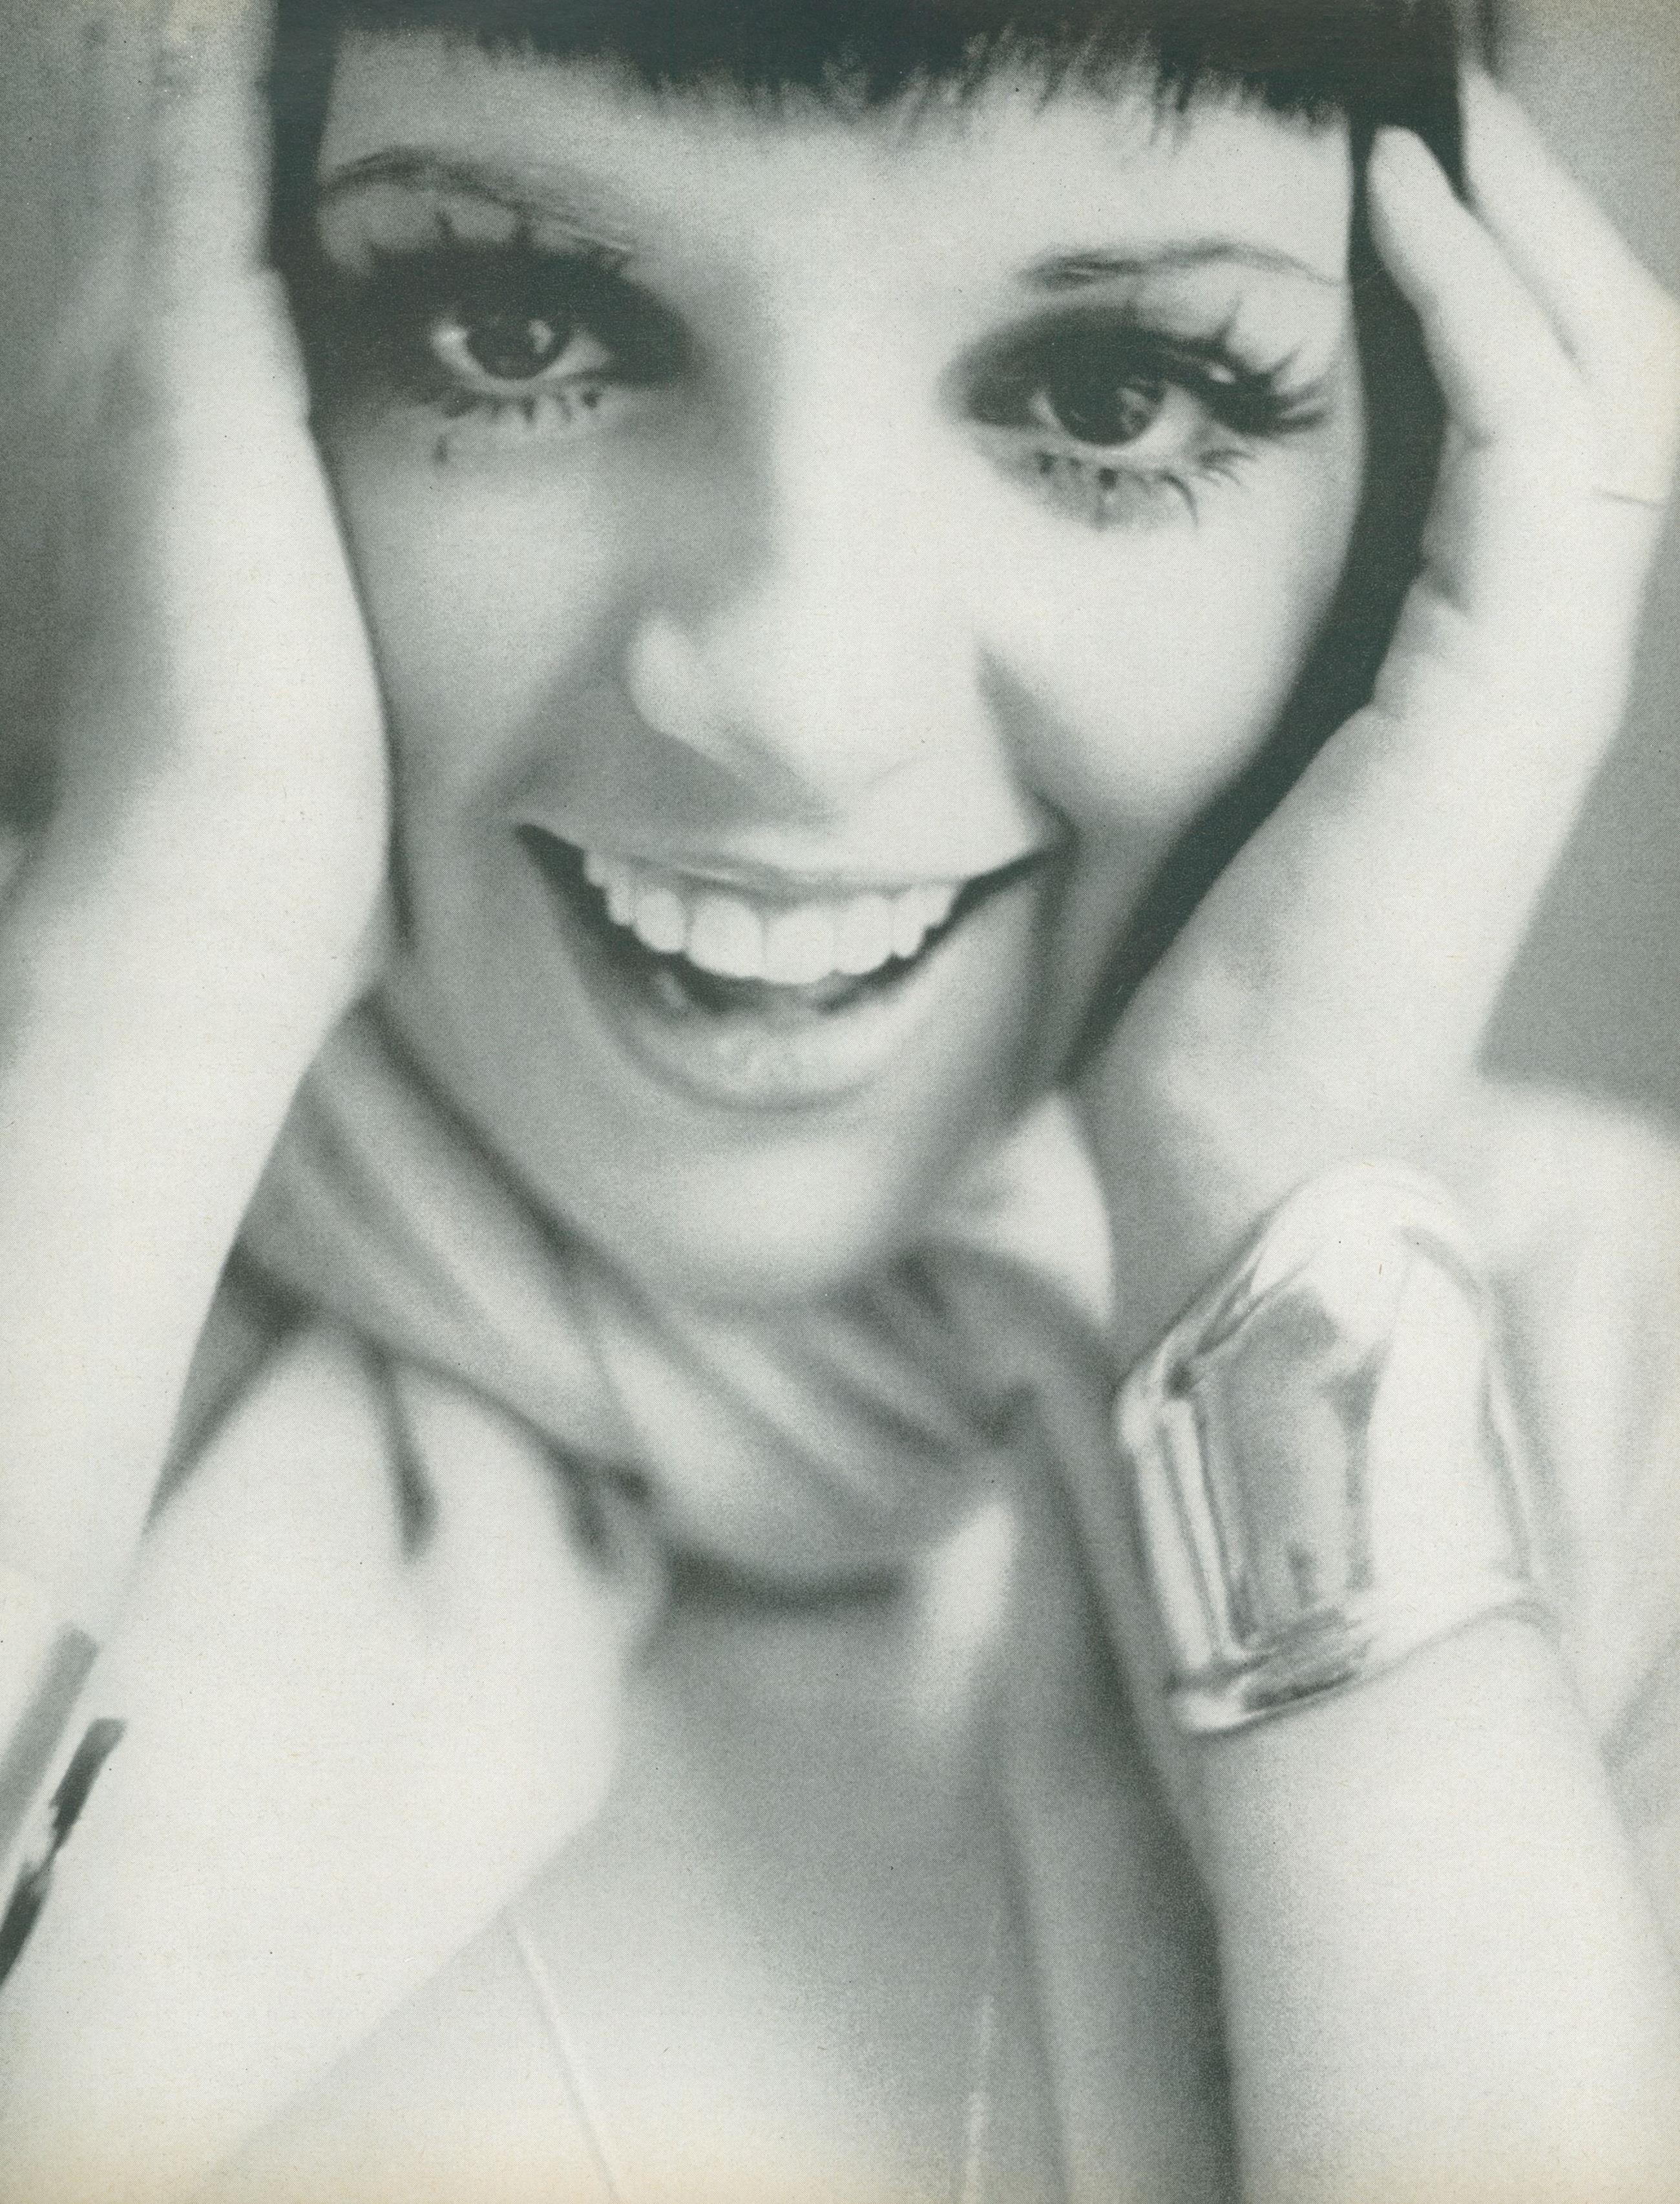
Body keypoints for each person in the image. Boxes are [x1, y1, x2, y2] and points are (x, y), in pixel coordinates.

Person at [1, 0, 1677, 2196]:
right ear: (215, 363)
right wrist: (167, 956)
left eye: (1114, 395)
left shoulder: (1630, 1402)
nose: (795, 695)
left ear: (1423, 470)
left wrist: (1281, 1261)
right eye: (513, 330)